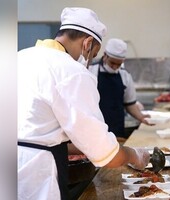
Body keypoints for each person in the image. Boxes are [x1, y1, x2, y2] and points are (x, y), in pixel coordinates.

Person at [17, 7, 150, 200]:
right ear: (87, 43)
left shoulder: (21, 57)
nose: (89, 61)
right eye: (93, 54)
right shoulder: (71, 71)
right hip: (38, 175)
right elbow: (102, 151)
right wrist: (133, 155)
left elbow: (35, 131)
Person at [88, 38, 152, 140]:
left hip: (117, 129)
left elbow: (129, 104)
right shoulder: (90, 71)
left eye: (118, 64)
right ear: (105, 55)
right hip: (95, 129)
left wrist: (141, 117)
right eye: (112, 63)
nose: (115, 67)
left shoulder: (125, 75)